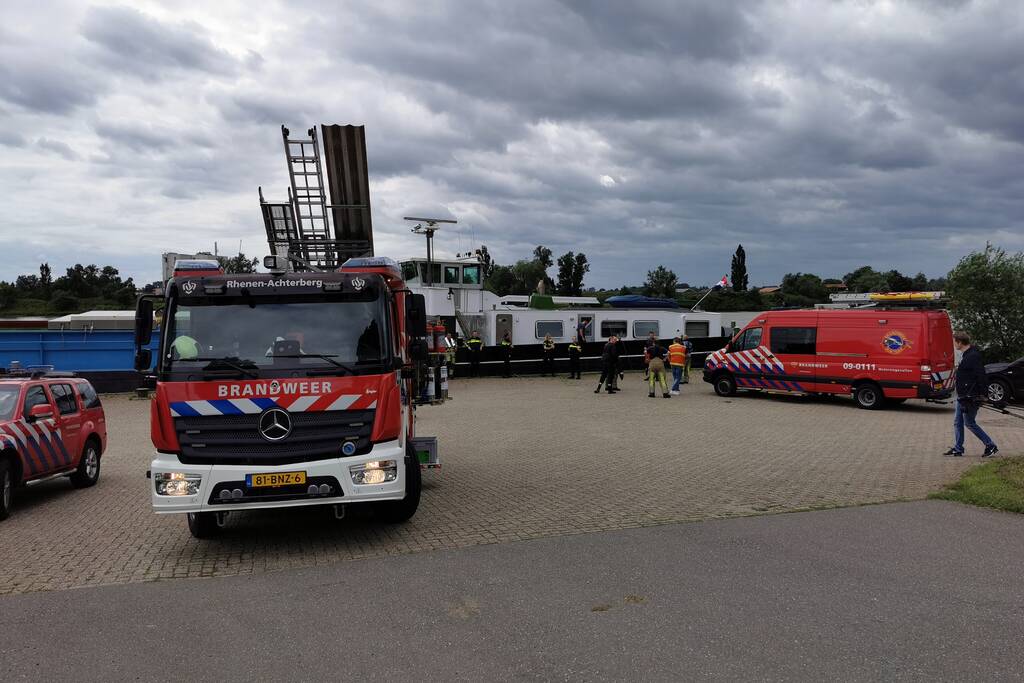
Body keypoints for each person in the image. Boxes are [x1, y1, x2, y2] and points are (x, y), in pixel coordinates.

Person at [945, 332, 999, 457]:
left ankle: (990, 445)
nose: (954, 344)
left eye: (955, 342)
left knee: (969, 422)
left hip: (970, 396)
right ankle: (958, 448)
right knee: (957, 422)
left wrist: (983, 395)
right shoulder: (966, 355)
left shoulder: (973, 356)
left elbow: (981, 375)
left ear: (959, 342)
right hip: (963, 396)